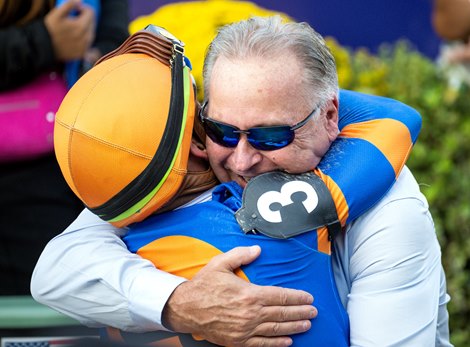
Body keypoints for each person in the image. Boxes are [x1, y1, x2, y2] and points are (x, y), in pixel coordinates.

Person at [32, 16, 451, 346]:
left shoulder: (391, 210)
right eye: (223, 133)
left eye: (271, 136)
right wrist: (180, 303)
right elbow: (57, 270)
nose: (244, 160)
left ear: (329, 117)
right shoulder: (183, 174)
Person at [0, 0, 129, 294]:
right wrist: (44, 41)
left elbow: (114, 40)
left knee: (51, 304)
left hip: (58, 172)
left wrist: (95, 62)